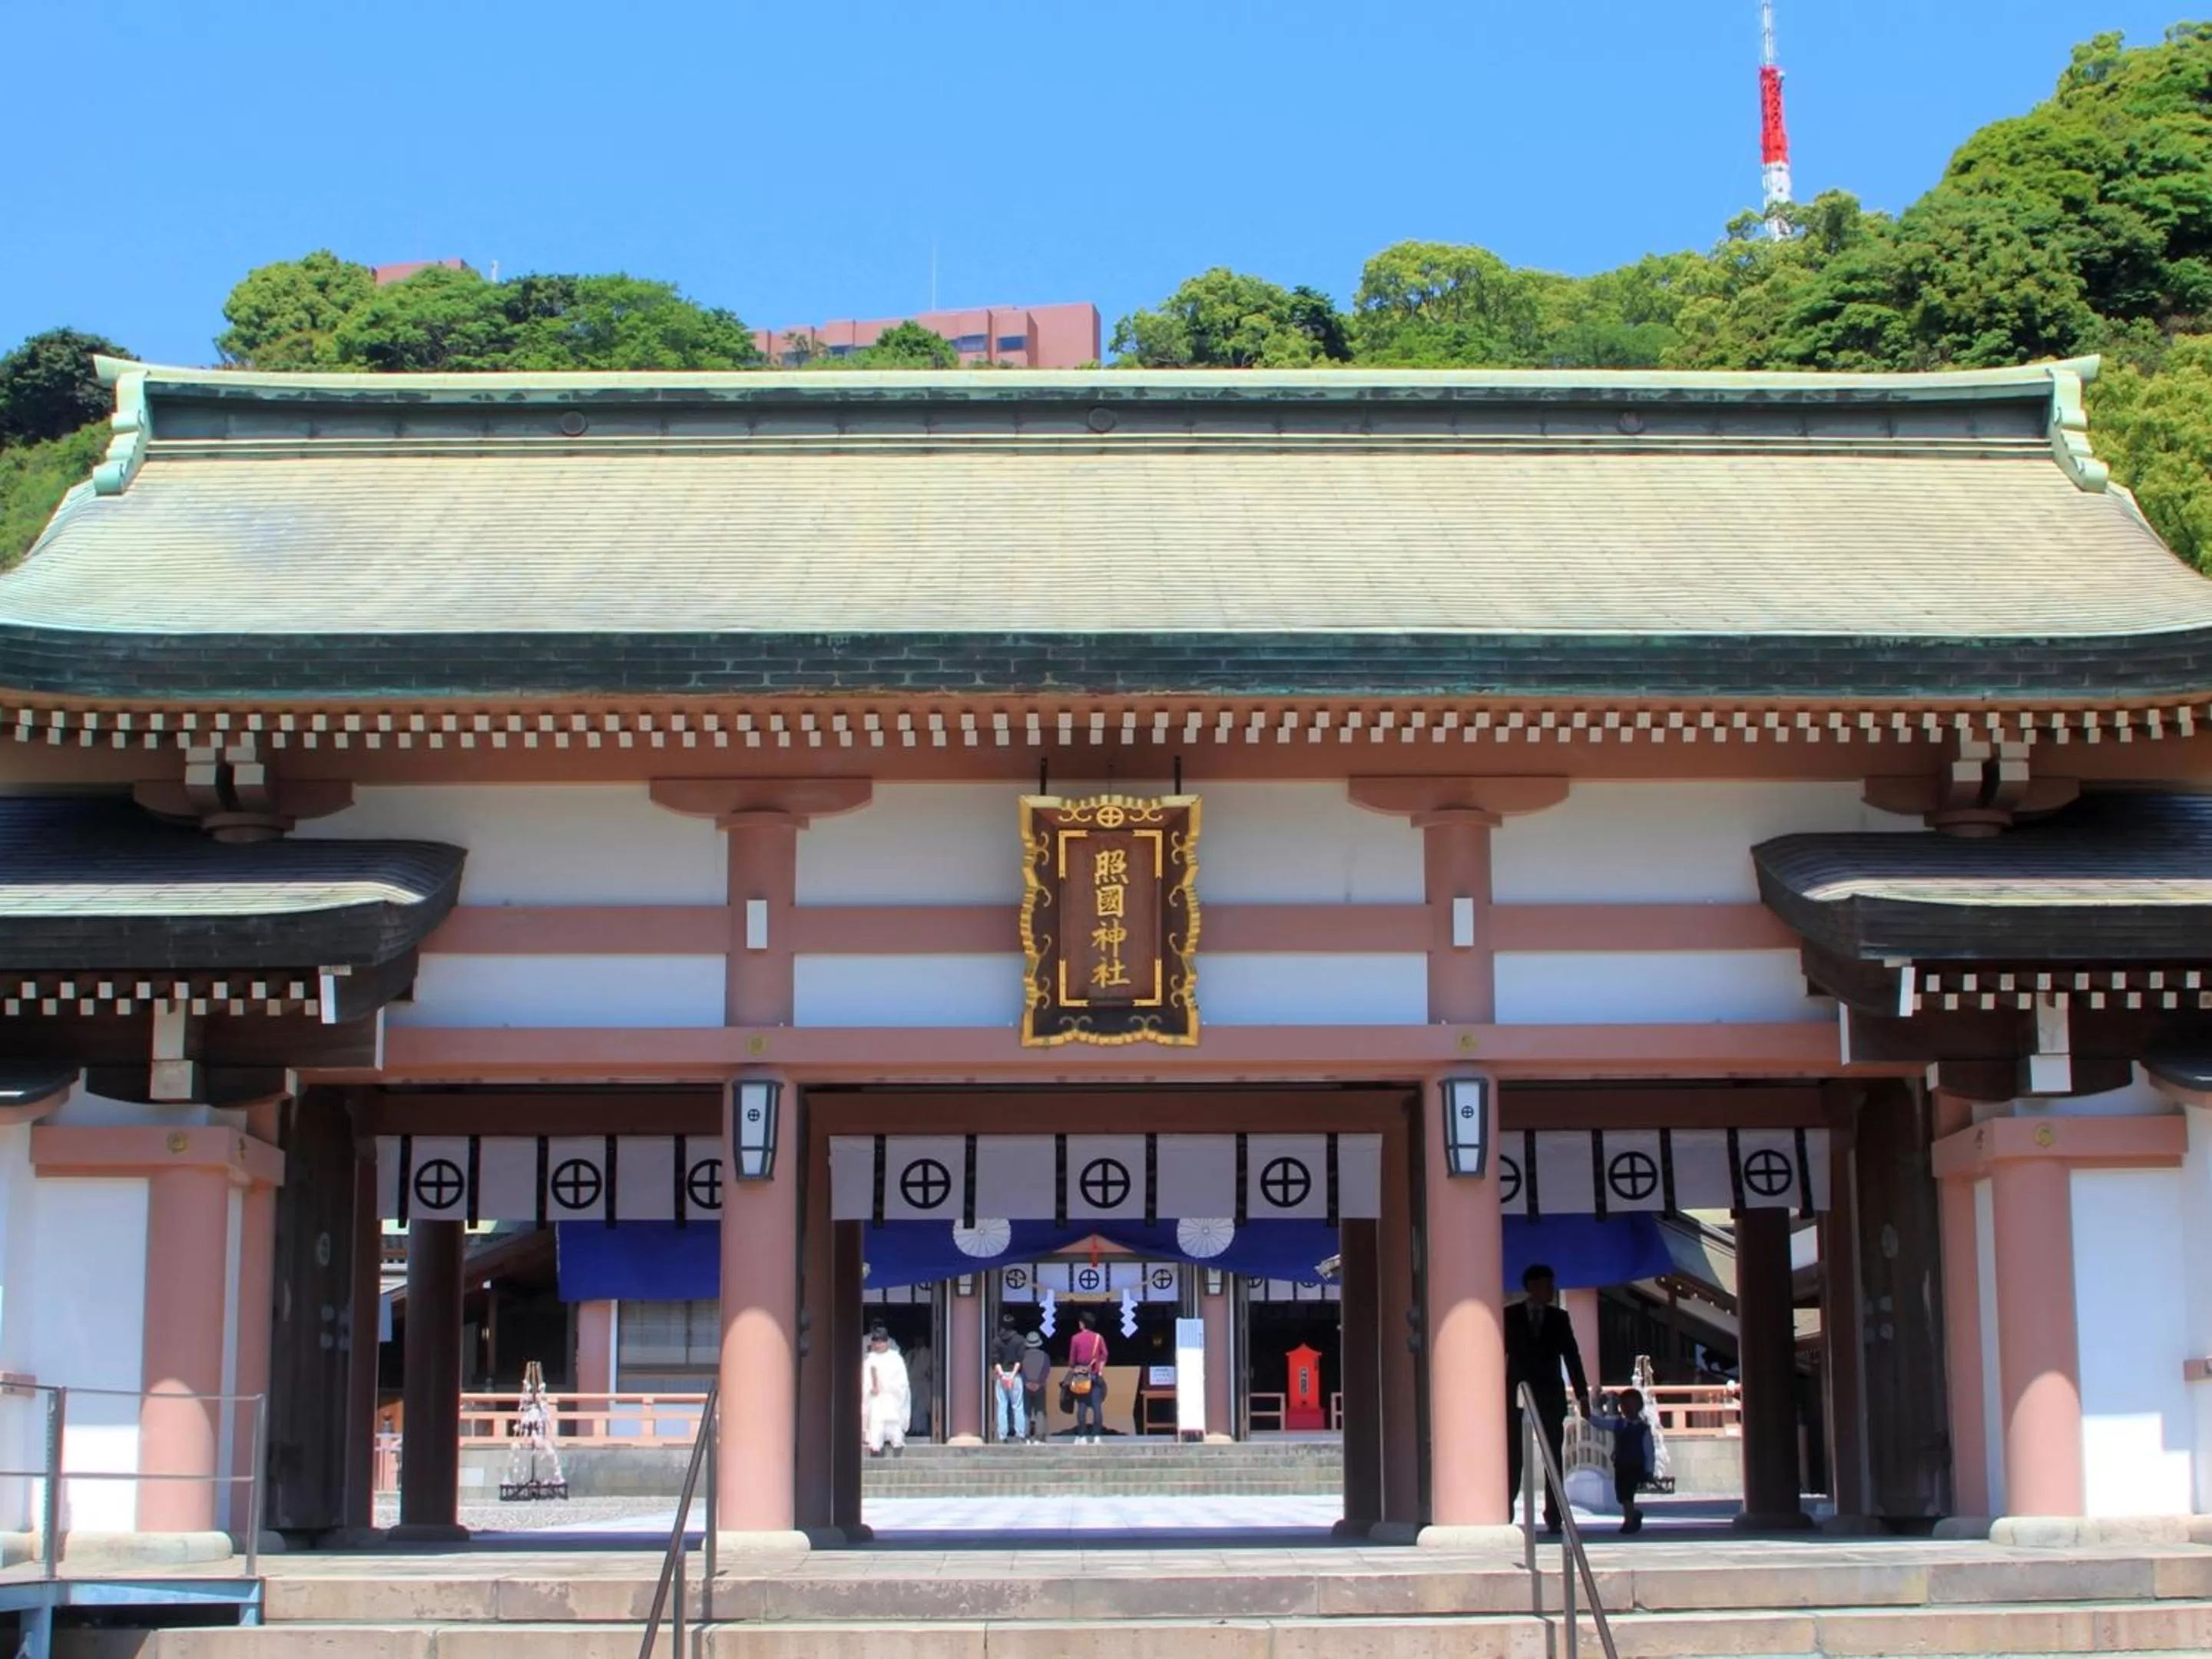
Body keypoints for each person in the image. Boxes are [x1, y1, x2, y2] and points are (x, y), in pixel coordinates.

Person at [1503, 1263, 1590, 1533]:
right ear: (1531, 1286)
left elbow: (1572, 1357)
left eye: (1551, 1284)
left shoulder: (1559, 1318)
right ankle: (1504, 1509)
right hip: (1516, 1390)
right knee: (1511, 1454)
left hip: (1550, 1391)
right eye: (1545, 1284)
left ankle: (1555, 1513)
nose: (1550, 1289)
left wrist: (1582, 1394)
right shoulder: (1509, 1316)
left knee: (1553, 1453)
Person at [1588, 1387, 1654, 1535]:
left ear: (1639, 1407)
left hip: (1635, 1465)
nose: (1628, 1409)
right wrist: (1588, 1416)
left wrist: (1649, 1470)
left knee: (1627, 1494)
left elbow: (1649, 1451)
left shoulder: (1643, 1429)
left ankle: (1629, 1521)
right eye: (1625, 1405)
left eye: (1632, 1405)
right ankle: (1633, 1515)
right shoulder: (1618, 1424)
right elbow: (1601, 1424)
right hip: (1621, 1464)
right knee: (1622, 1495)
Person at [862, 1325, 910, 1459]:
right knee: (876, 1420)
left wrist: (887, 1386)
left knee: (892, 1420)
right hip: (876, 1397)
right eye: (875, 1342)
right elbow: (866, 1378)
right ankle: (876, 1446)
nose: (878, 1345)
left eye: (880, 1342)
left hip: (891, 1396)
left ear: (886, 1342)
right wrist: (873, 1386)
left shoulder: (896, 1358)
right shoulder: (870, 1359)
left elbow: (902, 1381)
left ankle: (896, 1442)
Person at [1066, 1311, 1109, 1442]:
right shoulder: (1098, 1338)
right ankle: (1097, 1437)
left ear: (1083, 1323)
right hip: (1095, 1376)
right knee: (1097, 1407)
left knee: (1082, 1407)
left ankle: (1082, 1436)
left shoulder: (1075, 1338)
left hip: (1080, 1377)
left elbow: (1072, 1361)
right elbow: (1105, 1355)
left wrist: (1072, 1371)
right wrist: (1100, 1371)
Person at [991, 1313, 1028, 1442]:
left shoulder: (996, 1341)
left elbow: (995, 1361)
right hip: (1015, 1376)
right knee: (1017, 1406)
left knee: (1002, 1406)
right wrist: (1011, 1376)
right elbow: (1019, 1360)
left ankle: (1002, 1435)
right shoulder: (1020, 1340)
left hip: (1001, 1377)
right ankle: (1021, 1434)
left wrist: (1002, 1375)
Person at [1020, 1330, 1051, 1442]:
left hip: (1026, 1387)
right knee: (1040, 1411)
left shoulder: (1022, 1356)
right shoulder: (1045, 1356)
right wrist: (1039, 1383)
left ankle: (1026, 1435)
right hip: (1040, 1387)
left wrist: (1027, 1382)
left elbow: (1021, 1371)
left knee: (1026, 1411)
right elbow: (1046, 1371)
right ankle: (1040, 1436)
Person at [906, 1341, 934, 1439]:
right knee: (911, 1407)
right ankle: (912, 1429)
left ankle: (921, 1430)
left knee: (921, 1408)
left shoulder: (928, 1353)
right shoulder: (910, 1353)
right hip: (910, 1383)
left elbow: (929, 1367)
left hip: (922, 1382)